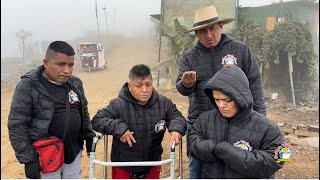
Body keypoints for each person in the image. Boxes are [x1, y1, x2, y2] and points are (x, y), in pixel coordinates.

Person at [176, 5, 266, 178]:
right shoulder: (189, 57)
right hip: (200, 127)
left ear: (221, 27)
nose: (208, 35)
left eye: (212, 28)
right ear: (196, 34)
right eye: (202, 31)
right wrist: (186, 84)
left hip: (238, 125)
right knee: (197, 170)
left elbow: (254, 85)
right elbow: (181, 88)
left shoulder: (241, 50)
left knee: (235, 170)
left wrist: (259, 118)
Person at [8, 41, 96, 179]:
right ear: (46, 62)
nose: (67, 70)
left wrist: (89, 137)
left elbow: (83, 112)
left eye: (71, 65)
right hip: (45, 158)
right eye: (61, 64)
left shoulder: (76, 83)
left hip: (73, 154)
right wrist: (29, 159)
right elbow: (17, 124)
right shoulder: (28, 86)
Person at [91, 64, 187, 179]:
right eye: (139, 86)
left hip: (152, 163)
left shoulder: (164, 103)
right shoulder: (117, 105)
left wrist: (176, 129)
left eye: (148, 85)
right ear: (129, 86)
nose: (145, 90)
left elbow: (177, 117)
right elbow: (97, 120)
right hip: (123, 165)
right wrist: (118, 128)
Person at [188, 65, 284, 178]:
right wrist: (214, 148)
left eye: (227, 100)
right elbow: (193, 143)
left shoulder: (268, 129)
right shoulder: (205, 120)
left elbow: (277, 160)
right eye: (216, 99)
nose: (221, 105)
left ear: (241, 97)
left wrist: (228, 152)